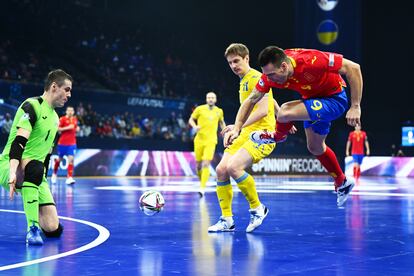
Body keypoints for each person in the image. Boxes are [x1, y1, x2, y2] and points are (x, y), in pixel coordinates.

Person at [227, 46, 363, 206]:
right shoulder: (268, 77)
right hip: (312, 102)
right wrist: (237, 128)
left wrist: (355, 106)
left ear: (284, 66)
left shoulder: (312, 60)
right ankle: (342, 182)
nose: (269, 78)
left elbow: (353, 68)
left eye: (271, 74)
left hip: (334, 100)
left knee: (285, 111)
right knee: (315, 147)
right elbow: (251, 100)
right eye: (266, 74)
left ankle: (276, 136)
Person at [208, 43, 287, 233]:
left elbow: (260, 110)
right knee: (221, 169)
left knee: (234, 167)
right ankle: (227, 220)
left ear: (247, 59)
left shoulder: (256, 77)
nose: (233, 65)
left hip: (262, 134)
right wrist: (281, 113)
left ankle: (258, 208)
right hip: (246, 132)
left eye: (236, 61)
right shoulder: (243, 80)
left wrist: (237, 126)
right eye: (230, 63)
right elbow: (271, 99)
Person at [0, 69, 72, 245]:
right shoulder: (32, 106)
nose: (69, 95)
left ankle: (38, 213)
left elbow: (47, 154)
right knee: (35, 167)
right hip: (11, 164)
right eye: (67, 89)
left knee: (53, 230)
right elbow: (19, 143)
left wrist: (41, 182)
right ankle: (32, 229)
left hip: (36, 172)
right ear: (54, 87)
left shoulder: (55, 118)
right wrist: (11, 173)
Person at [188, 92, 225, 197]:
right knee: (198, 165)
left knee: (206, 163)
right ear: (206, 99)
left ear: (215, 100)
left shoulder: (219, 111)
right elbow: (191, 119)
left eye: (212, 98)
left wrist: (225, 132)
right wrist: (195, 127)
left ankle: (202, 188)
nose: (210, 99)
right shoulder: (199, 109)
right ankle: (202, 182)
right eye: (209, 98)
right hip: (199, 140)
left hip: (211, 141)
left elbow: (222, 123)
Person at [51, 106, 79, 185]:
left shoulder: (74, 119)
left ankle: (69, 177)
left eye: (72, 110)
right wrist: (68, 127)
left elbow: (74, 128)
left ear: (73, 112)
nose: (70, 112)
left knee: (71, 159)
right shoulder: (62, 119)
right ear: (66, 111)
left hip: (72, 143)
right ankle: (54, 174)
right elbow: (58, 129)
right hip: (62, 143)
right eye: (69, 110)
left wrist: (77, 129)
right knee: (59, 160)